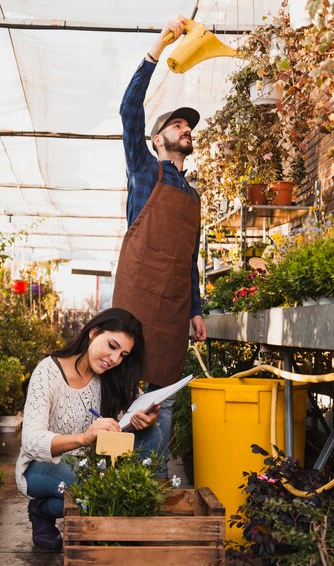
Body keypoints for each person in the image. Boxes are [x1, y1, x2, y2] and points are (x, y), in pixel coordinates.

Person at [112, 16, 207, 478]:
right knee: (125, 396)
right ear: (157, 138)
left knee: (164, 401)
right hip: (134, 303)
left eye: (189, 127)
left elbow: (189, 259)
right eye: (176, 124)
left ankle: (146, 487)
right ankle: (113, 481)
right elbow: (128, 111)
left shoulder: (194, 197)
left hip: (172, 312)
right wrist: (155, 51)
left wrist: (195, 309)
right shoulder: (144, 171)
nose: (186, 129)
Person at [15, 307, 161, 549]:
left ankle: (48, 510)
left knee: (150, 434)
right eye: (112, 346)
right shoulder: (48, 371)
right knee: (98, 489)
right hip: (43, 465)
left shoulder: (113, 374)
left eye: (123, 354)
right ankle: (54, 512)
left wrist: (147, 418)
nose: (115, 359)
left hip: (90, 464)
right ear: (94, 333)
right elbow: (31, 440)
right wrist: (84, 438)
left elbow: (136, 406)